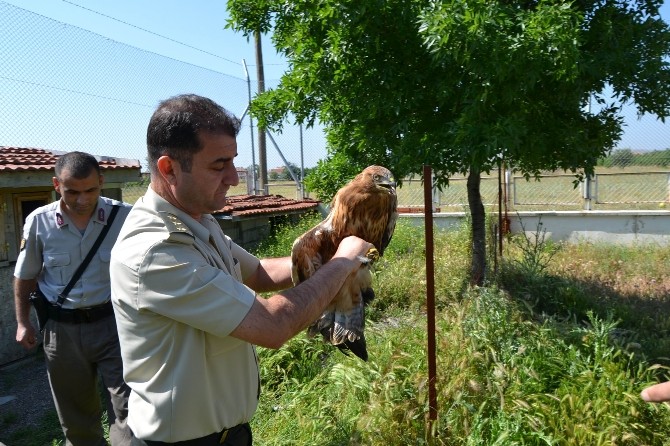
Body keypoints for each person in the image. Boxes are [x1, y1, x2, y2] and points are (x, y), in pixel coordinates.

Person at [109, 94, 373, 445]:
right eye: (219, 166)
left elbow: (261, 272)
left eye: (233, 162)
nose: (234, 178)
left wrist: (327, 252)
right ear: (169, 168)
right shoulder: (156, 249)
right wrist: (343, 262)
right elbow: (272, 325)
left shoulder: (196, 222)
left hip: (228, 435)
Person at [14, 151, 133, 446]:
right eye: (72, 192)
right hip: (62, 331)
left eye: (91, 190)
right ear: (57, 184)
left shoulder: (125, 217)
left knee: (130, 410)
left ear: (102, 182)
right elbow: (25, 275)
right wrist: (22, 322)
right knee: (76, 418)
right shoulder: (39, 222)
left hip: (115, 325)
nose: (82, 199)